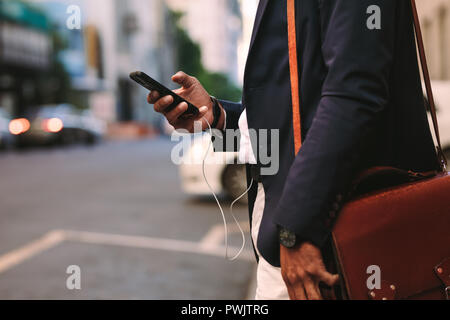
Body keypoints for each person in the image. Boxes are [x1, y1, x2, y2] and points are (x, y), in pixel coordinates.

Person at [147, 0, 440, 300]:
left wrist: (296, 228)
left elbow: (354, 97)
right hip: (299, 239)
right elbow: (292, 117)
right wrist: (217, 117)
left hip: (331, 242)